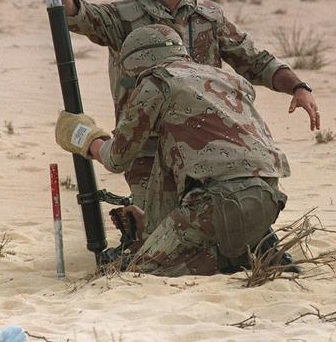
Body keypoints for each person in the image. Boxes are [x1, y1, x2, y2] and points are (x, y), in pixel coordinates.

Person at [28, 0, 319, 230]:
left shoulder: (209, 16)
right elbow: (75, 12)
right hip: (147, 150)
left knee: (226, 224)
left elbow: (255, 60)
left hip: (204, 146)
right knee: (158, 234)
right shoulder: (122, 16)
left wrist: (298, 87)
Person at [55, 25, 290, 275]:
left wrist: (85, 137)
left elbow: (116, 158)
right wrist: (150, 225)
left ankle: (231, 260)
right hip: (267, 195)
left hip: (213, 202)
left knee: (134, 269)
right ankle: (253, 248)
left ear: (136, 66)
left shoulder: (157, 81)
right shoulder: (230, 80)